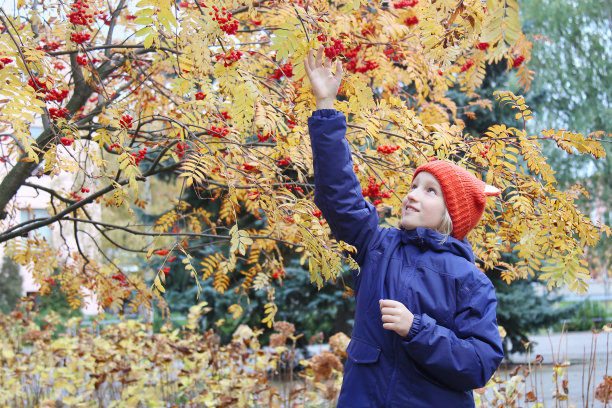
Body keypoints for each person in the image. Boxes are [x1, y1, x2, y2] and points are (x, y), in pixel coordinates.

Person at [304, 47, 504, 407]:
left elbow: (478, 363)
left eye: (430, 191)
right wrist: (326, 106)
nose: (413, 194)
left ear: (451, 214)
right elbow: (340, 197)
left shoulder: (470, 281)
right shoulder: (379, 246)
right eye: (414, 186)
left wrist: (417, 329)